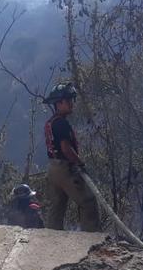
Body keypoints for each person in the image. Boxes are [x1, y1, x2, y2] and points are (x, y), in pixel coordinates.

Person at [42, 83, 101, 232]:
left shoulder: (51, 123)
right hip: (65, 169)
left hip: (53, 169)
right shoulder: (62, 124)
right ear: (59, 103)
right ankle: (91, 238)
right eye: (68, 101)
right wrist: (79, 162)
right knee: (88, 201)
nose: (71, 104)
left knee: (57, 206)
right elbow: (66, 149)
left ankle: (50, 238)